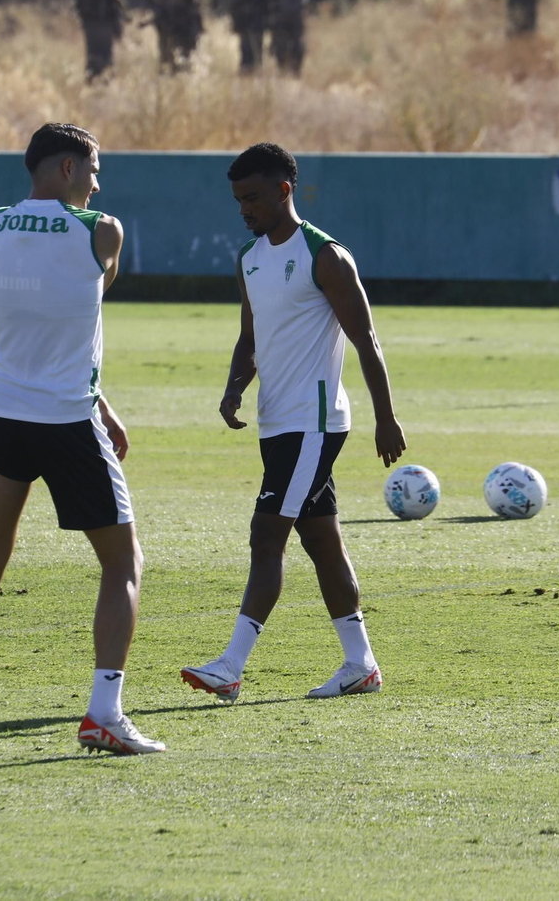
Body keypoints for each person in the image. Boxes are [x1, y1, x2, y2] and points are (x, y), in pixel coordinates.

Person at [0, 123, 163, 758]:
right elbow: (91, 295)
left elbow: (43, 319)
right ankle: (104, 712)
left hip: (1, 416)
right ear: (63, 169)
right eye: (92, 168)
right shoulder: (100, 229)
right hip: (65, 420)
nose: (97, 181)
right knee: (124, 563)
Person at [181, 142, 407, 703]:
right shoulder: (249, 258)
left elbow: (366, 340)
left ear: (285, 190)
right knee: (321, 541)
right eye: (237, 200)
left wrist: (387, 417)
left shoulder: (325, 256)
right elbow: (250, 338)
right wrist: (235, 386)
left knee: (267, 535)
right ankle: (361, 665)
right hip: (275, 423)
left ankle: (230, 666)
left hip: (314, 422)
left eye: (252, 197)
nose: (244, 210)